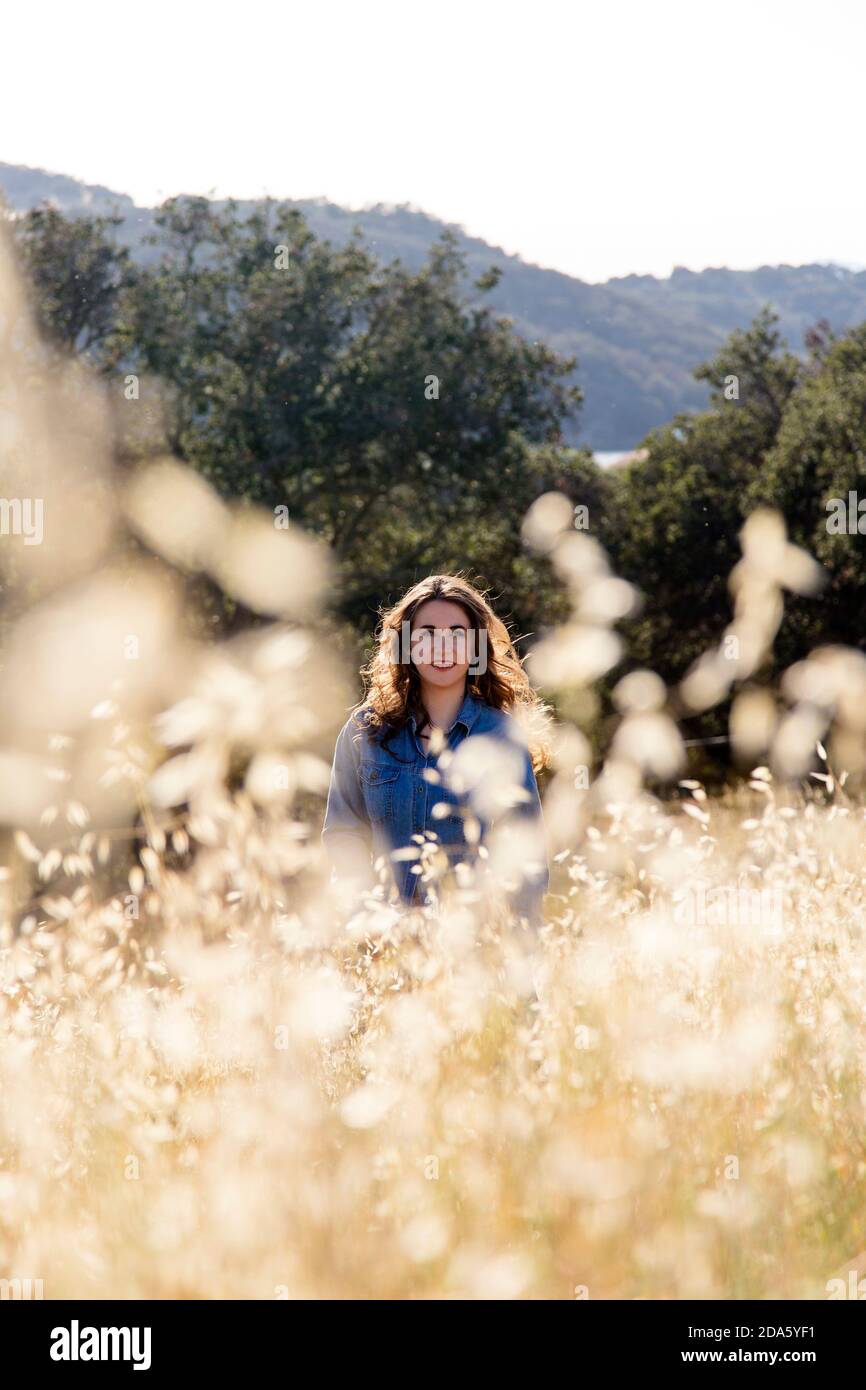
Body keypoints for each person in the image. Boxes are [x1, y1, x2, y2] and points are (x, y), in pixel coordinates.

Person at [322, 574, 551, 927]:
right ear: (406, 646)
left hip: (473, 951)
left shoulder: (502, 736)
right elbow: (343, 834)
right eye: (426, 633)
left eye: (457, 635)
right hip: (386, 953)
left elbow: (525, 857)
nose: (442, 647)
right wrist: (370, 920)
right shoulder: (364, 732)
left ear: (476, 647)